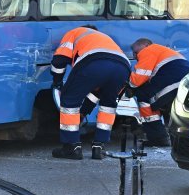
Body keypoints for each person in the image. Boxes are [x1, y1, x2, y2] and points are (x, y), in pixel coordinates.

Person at [50, 25, 130, 160]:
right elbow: (96, 94)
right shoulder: (104, 38)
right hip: (123, 67)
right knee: (108, 106)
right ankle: (99, 147)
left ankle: (71, 147)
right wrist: (83, 112)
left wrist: (57, 81)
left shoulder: (75, 32)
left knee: (69, 100)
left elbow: (60, 59)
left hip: (93, 62)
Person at [126, 39, 189, 147]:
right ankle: (171, 137)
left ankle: (157, 137)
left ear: (146, 45)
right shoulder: (162, 51)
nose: (134, 56)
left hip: (173, 81)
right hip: (185, 82)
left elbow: (136, 80)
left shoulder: (148, 50)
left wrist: (128, 82)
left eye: (135, 51)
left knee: (144, 97)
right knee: (162, 102)